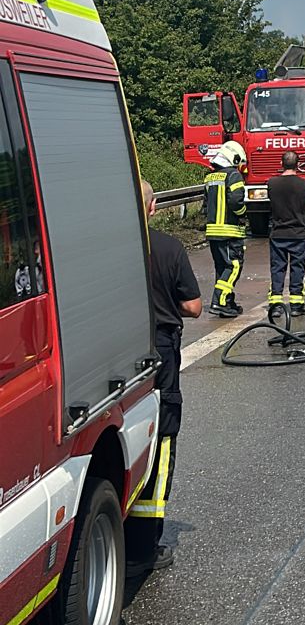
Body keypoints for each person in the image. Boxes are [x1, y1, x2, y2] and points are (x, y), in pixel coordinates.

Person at [128, 181, 202, 572]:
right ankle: (144, 546)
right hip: (160, 351)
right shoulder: (170, 248)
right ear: (154, 207)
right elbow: (193, 306)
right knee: (161, 438)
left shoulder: (106, 246)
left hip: (117, 348)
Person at [266, 150, 305, 319]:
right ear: (298, 164)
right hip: (298, 233)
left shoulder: (271, 183)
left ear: (281, 164)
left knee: (278, 269)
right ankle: (296, 305)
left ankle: (275, 306)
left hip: (278, 233)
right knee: (297, 268)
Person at [205, 139, 248, 315]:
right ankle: (219, 302)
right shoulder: (233, 175)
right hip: (229, 230)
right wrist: (244, 214)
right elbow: (236, 201)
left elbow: (206, 203)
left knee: (222, 268)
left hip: (213, 231)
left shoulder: (210, 177)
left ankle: (228, 301)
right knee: (234, 266)